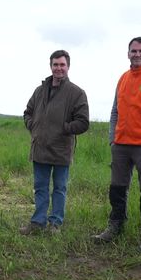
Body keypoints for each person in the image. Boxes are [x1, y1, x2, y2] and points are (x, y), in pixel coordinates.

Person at [92, 37, 141, 252]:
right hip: (120, 145)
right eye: (133, 51)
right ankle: (115, 226)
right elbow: (115, 111)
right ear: (128, 53)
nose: (137, 54)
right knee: (117, 188)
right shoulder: (123, 78)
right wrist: (112, 137)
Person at [20, 50, 89, 235]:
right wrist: (33, 126)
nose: (58, 68)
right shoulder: (40, 90)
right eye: (55, 65)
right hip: (40, 148)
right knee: (40, 188)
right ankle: (37, 222)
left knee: (59, 188)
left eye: (62, 65)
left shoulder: (76, 93)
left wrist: (64, 128)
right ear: (50, 66)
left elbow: (83, 122)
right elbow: (27, 112)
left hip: (61, 150)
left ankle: (55, 224)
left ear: (68, 67)